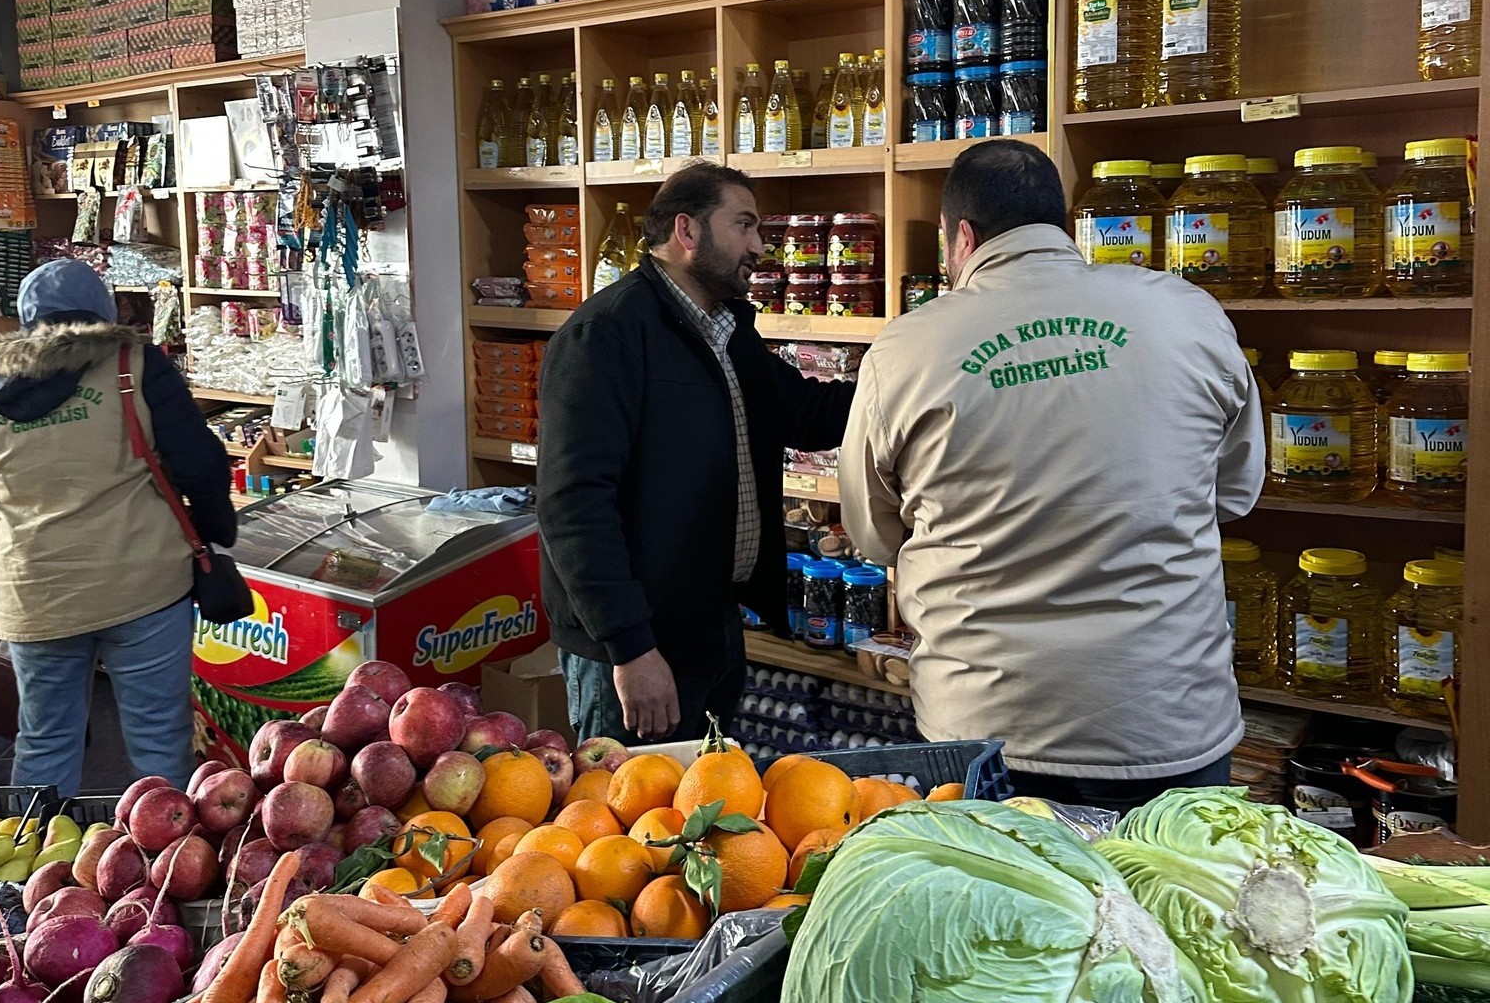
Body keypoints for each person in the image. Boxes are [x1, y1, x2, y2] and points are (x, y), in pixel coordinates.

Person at [839, 140, 1265, 811]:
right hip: (1167, 716)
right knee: (1168, 882)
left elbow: (873, 534)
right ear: (1060, 226)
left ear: (961, 237)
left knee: (1000, 885)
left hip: (988, 727)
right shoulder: (1187, 312)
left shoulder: (906, 347)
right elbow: (1235, 492)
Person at [538, 163, 855, 743]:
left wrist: (905, 376)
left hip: (712, 625)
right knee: (628, 800)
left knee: (707, 796)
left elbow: (807, 414)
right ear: (687, 230)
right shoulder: (606, 333)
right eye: (744, 225)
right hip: (637, 648)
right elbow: (573, 504)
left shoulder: (727, 332)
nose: (759, 246)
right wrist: (631, 647)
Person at [0, 260, 237, 796]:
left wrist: (3, 579)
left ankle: (32, 850)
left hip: (35, 593)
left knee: (43, 740)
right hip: (144, 584)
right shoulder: (135, 365)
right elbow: (200, 465)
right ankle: (172, 846)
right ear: (105, 310)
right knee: (160, 740)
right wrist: (214, 532)